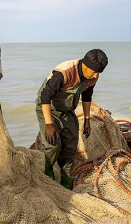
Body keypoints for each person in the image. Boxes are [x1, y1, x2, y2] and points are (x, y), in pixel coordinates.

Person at [35, 49, 108, 189]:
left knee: (71, 144)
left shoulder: (93, 76)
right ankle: (49, 167)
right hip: (48, 108)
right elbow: (45, 96)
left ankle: (66, 177)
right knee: (53, 145)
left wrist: (87, 119)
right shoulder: (64, 72)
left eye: (99, 72)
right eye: (94, 71)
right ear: (85, 65)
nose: (96, 75)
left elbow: (87, 96)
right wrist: (49, 124)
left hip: (67, 110)